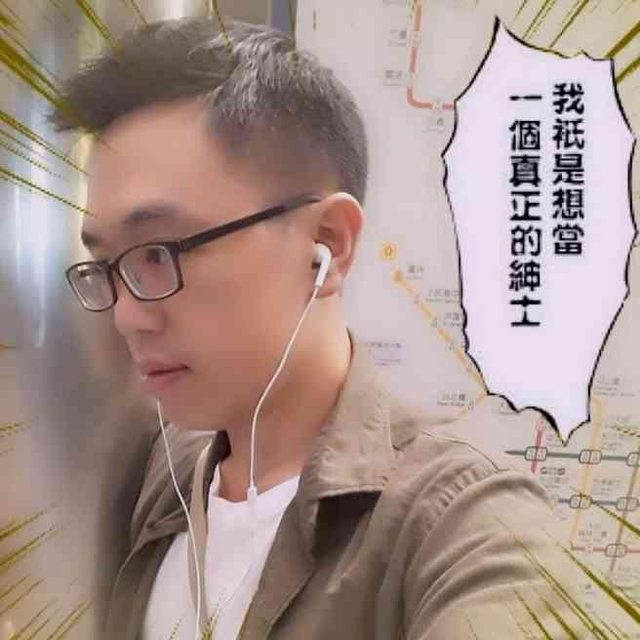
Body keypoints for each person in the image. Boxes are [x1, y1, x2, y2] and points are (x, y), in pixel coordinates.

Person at [49, 15, 586, 640]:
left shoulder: (463, 522)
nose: (126, 316)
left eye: (157, 253)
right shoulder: (165, 473)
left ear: (327, 243)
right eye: (106, 266)